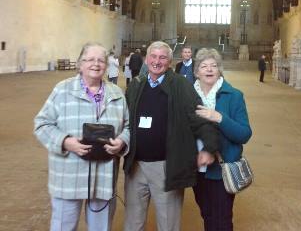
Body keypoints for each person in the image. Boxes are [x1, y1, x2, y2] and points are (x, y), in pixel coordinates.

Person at [123, 41, 219, 231]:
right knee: (133, 222)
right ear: (146, 59)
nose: (157, 61)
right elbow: (124, 120)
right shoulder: (136, 85)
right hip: (136, 166)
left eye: (162, 57)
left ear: (169, 62)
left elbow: (199, 116)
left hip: (166, 166)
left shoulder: (181, 85)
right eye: (153, 56)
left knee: (168, 224)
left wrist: (209, 147)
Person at [34, 42, 130, 231]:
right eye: (90, 59)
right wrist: (65, 142)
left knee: (100, 227)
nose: (96, 64)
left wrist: (122, 142)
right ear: (80, 63)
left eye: (101, 60)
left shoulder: (116, 93)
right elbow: (42, 124)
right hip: (68, 175)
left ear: (107, 64)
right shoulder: (62, 89)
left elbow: (128, 126)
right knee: (63, 226)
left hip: (103, 176)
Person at [193, 48, 252, 231]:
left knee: (222, 220)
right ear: (197, 71)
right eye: (204, 66)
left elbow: (244, 134)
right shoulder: (188, 95)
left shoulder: (234, 96)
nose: (209, 69)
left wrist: (219, 118)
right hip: (196, 168)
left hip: (220, 169)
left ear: (220, 70)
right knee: (207, 214)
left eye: (214, 66)